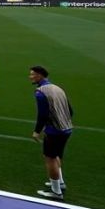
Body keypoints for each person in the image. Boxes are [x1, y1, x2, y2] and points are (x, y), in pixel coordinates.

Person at [29, 66, 73, 201]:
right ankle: (60, 182)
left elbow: (42, 115)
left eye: (32, 75)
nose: (30, 77)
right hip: (67, 128)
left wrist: (37, 131)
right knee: (56, 156)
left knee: (50, 158)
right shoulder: (58, 88)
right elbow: (70, 110)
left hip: (54, 131)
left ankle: (56, 192)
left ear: (40, 76)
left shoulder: (40, 92)